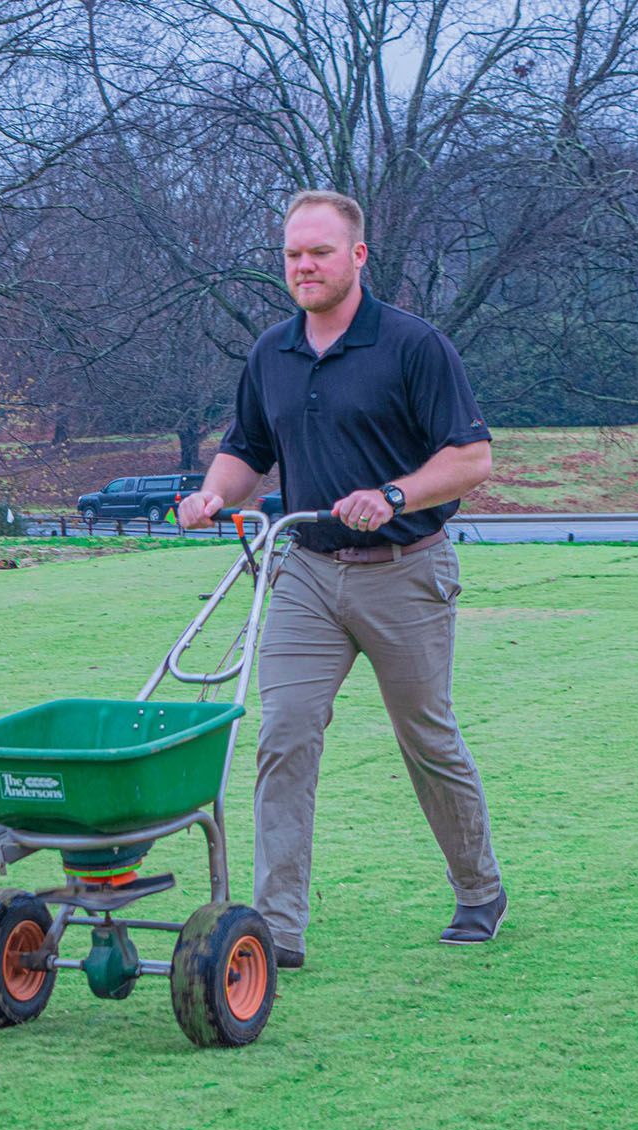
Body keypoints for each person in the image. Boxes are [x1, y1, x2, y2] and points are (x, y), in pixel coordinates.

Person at [177, 189, 505, 969]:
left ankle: (479, 889)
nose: (304, 266)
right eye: (293, 254)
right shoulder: (272, 353)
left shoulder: (413, 346)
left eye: (319, 252)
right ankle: (276, 927)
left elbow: (472, 458)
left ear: (356, 256)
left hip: (406, 572)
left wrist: (391, 495)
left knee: (425, 738)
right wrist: (215, 493)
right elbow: (248, 449)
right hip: (306, 572)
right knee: (283, 736)